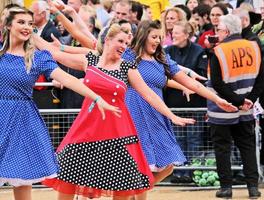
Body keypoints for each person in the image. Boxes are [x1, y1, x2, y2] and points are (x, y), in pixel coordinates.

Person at [34, 22, 196, 200]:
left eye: (126, 43)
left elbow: (149, 94)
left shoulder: (127, 67)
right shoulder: (90, 60)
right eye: (120, 41)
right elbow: (55, 53)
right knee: (68, 177)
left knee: (123, 186)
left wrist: (171, 115)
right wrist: (30, 35)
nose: (123, 46)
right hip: (87, 127)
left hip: (118, 131)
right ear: (108, 40)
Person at [0, 6, 120, 200]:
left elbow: (67, 79)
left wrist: (97, 98)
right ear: (7, 26)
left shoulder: (38, 58)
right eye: (21, 22)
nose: (26, 27)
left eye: (30, 24)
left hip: (22, 122)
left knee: (22, 181)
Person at [122, 20, 237, 200]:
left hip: (156, 116)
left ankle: (134, 190)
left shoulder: (162, 58)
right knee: (139, 165)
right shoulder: (129, 56)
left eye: (160, 37)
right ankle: (132, 192)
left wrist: (217, 99)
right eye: (153, 37)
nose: (158, 41)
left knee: (167, 165)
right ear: (143, 37)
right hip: (134, 115)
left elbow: (191, 83)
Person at [207, 14, 264, 199]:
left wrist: (237, 101)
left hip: (222, 110)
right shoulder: (254, 47)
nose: (217, 33)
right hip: (247, 108)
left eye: (219, 30)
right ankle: (253, 188)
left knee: (222, 148)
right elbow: (262, 79)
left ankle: (226, 188)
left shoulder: (218, 51)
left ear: (226, 31)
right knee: (247, 147)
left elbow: (217, 83)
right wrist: (248, 100)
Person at [164, 20, 208, 183]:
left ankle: (193, 172)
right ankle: (178, 171)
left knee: (194, 138)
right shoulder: (167, 51)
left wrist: (189, 85)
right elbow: (163, 73)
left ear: (187, 34)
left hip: (194, 104)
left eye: (176, 32)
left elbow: (202, 75)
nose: (173, 35)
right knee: (177, 138)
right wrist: (182, 85)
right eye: (172, 32)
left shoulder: (199, 51)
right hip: (173, 103)